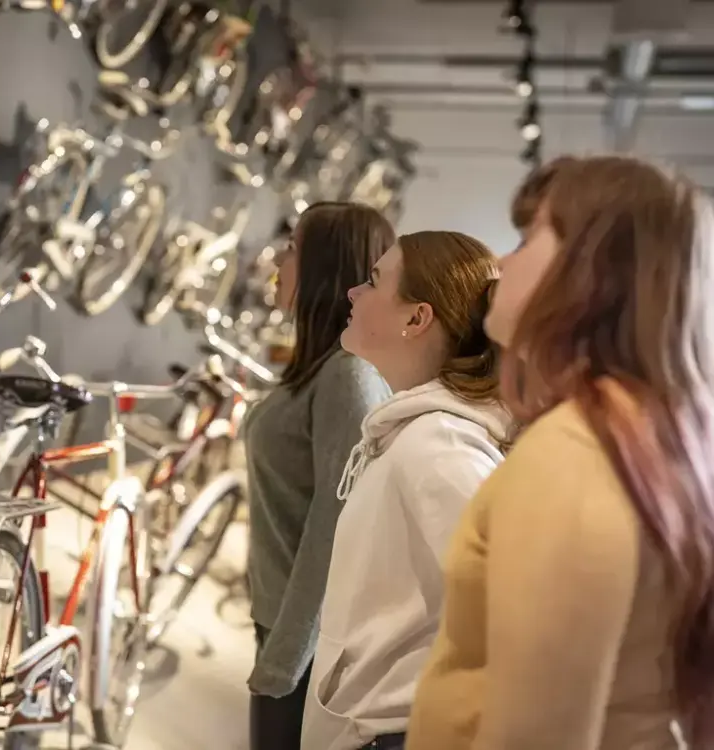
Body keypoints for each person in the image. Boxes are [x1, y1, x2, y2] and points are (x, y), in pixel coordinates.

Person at [407, 154, 714, 750]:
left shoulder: (574, 459)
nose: (500, 260)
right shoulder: (650, 439)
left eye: (527, 239)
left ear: (593, 271)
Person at [301, 231, 511, 750]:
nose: (353, 293)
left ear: (416, 318)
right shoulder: (416, 433)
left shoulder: (436, 447)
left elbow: (518, 610)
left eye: (374, 281)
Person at [246, 202, 394, 750]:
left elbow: (334, 529)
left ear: (325, 267)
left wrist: (284, 660)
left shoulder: (347, 377)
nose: (279, 261)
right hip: (285, 623)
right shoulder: (321, 366)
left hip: (309, 650)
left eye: (292, 250)